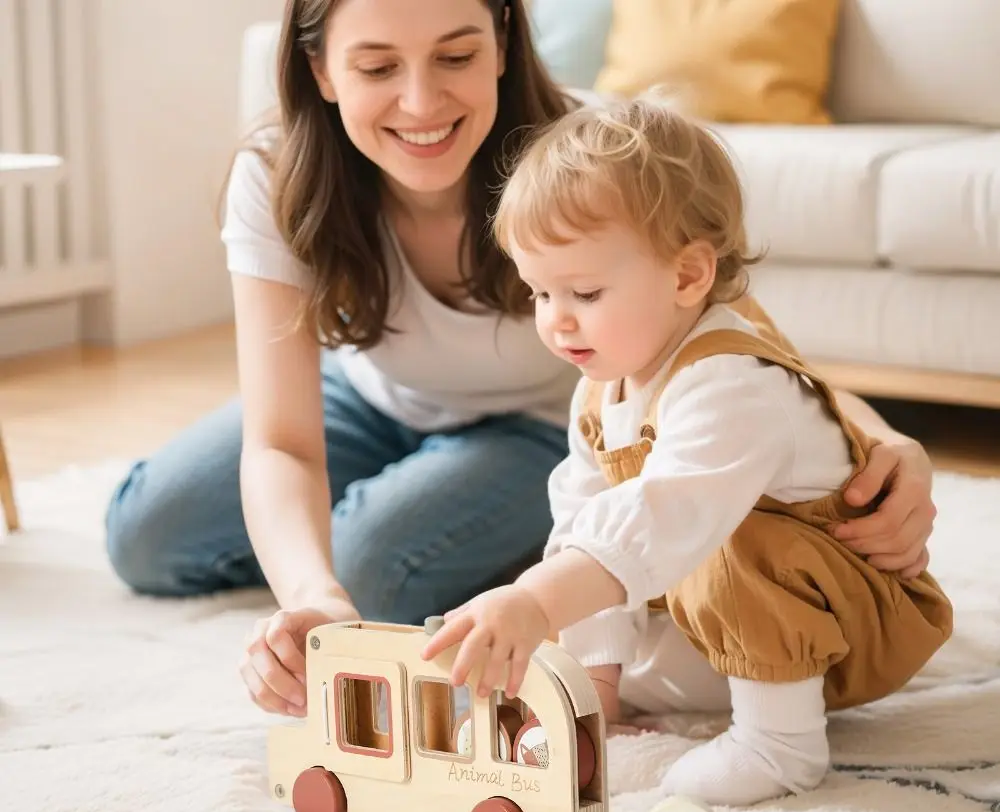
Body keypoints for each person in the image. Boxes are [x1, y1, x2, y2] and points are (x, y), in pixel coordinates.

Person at [103, 0, 938, 724]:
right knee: (146, 535)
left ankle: (558, 551)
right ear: (320, 70)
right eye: (378, 67)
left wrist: (884, 442)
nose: (421, 102)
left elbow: (733, 339)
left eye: (456, 57)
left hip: (536, 430)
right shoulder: (277, 173)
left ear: (504, 42)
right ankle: (472, 536)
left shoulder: (585, 152)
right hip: (370, 398)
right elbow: (282, 441)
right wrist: (311, 598)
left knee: (373, 565)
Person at [421, 95, 953, 807]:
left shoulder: (730, 380)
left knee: (722, 541)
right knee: (597, 587)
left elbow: (662, 517)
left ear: (687, 276)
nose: (557, 321)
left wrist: (533, 602)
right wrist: (596, 693)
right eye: (540, 293)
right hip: (737, 610)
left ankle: (781, 743)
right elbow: (586, 525)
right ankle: (606, 695)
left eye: (584, 291)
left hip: (851, 619)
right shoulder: (602, 387)